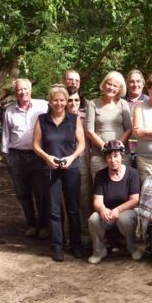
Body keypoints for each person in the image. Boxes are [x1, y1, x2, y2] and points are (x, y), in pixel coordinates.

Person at [32, 85, 85, 261]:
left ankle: (76, 245)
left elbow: (82, 145)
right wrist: (47, 157)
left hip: (71, 168)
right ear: (50, 101)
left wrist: (71, 158)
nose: (59, 103)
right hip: (50, 169)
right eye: (56, 100)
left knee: (73, 209)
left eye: (63, 100)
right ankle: (57, 246)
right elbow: (36, 145)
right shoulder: (42, 120)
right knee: (54, 210)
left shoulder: (74, 119)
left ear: (66, 101)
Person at [1, 78, 50, 239]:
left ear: (31, 90)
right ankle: (31, 224)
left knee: (41, 192)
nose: (22, 92)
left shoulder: (43, 106)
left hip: (38, 155)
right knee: (22, 193)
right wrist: (7, 157)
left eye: (25, 89)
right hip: (17, 156)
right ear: (15, 92)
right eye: (19, 90)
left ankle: (43, 225)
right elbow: (6, 136)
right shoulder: (9, 111)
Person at [88, 140, 141, 264]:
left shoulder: (132, 173)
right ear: (105, 158)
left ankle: (132, 247)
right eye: (109, 157)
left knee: (124, 219)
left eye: (116, 156)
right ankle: (99, 251)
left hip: (127, 211)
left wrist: (118, 209)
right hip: (108, 213)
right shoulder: (100, 175)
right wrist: (102, 209)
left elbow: (134, 200)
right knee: (93, 219)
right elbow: (97, 201)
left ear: (122, 156)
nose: (113, 160)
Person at [86, 71, 133, 177]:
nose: (111, 87)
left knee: (123, 188)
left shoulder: (123, 104)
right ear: (104, 84)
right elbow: (89, 131)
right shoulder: (93, 104)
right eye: (109, 84)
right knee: (101, 189)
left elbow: (129, 129)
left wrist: (116, 147)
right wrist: (106, 147)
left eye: (115, 86)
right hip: (99, 156)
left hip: (122, 155)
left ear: (119, 89)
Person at [66, 83, 92, 244]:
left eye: (76, 100)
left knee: (85, 199)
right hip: (64, 162)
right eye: (70, 100)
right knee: (68, 200)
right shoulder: (59, 118)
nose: (73, 103)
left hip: (83, 161)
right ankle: (69, 235)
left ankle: (87, 235)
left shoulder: (85, 118)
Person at [124, 69, 148, 166]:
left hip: (144, 150)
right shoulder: (119, 101)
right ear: (127, 84)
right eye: (132, 81)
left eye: (138, 81)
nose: (135, 84)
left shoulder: (150, 101)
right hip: (125, 151)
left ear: (143, 83)